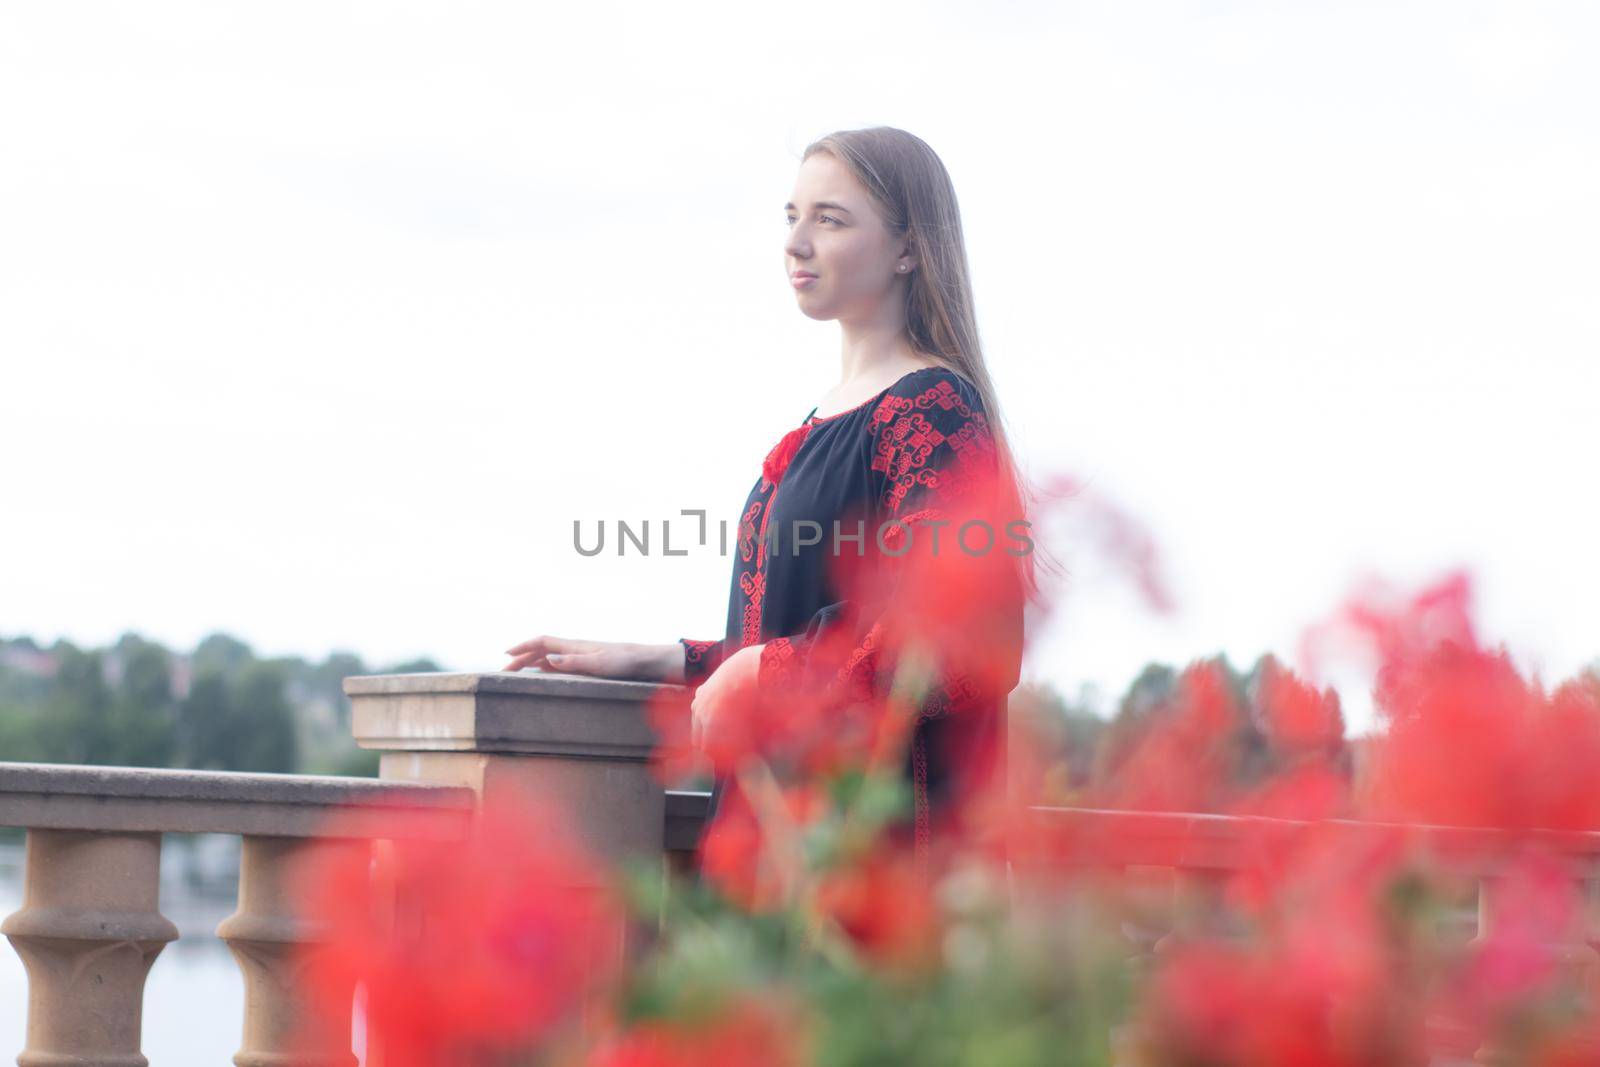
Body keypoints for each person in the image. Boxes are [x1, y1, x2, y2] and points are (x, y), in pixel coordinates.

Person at [505, 126, 1037, 859]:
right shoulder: (827, 415)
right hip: (779, 840)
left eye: (830, 218)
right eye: (792, 216)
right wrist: (668, 658)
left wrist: (762, 668)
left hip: (870, 863)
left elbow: (965, 639)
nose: (795, 243)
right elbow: (800, 627)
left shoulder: (931, 409)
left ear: (909, 249)